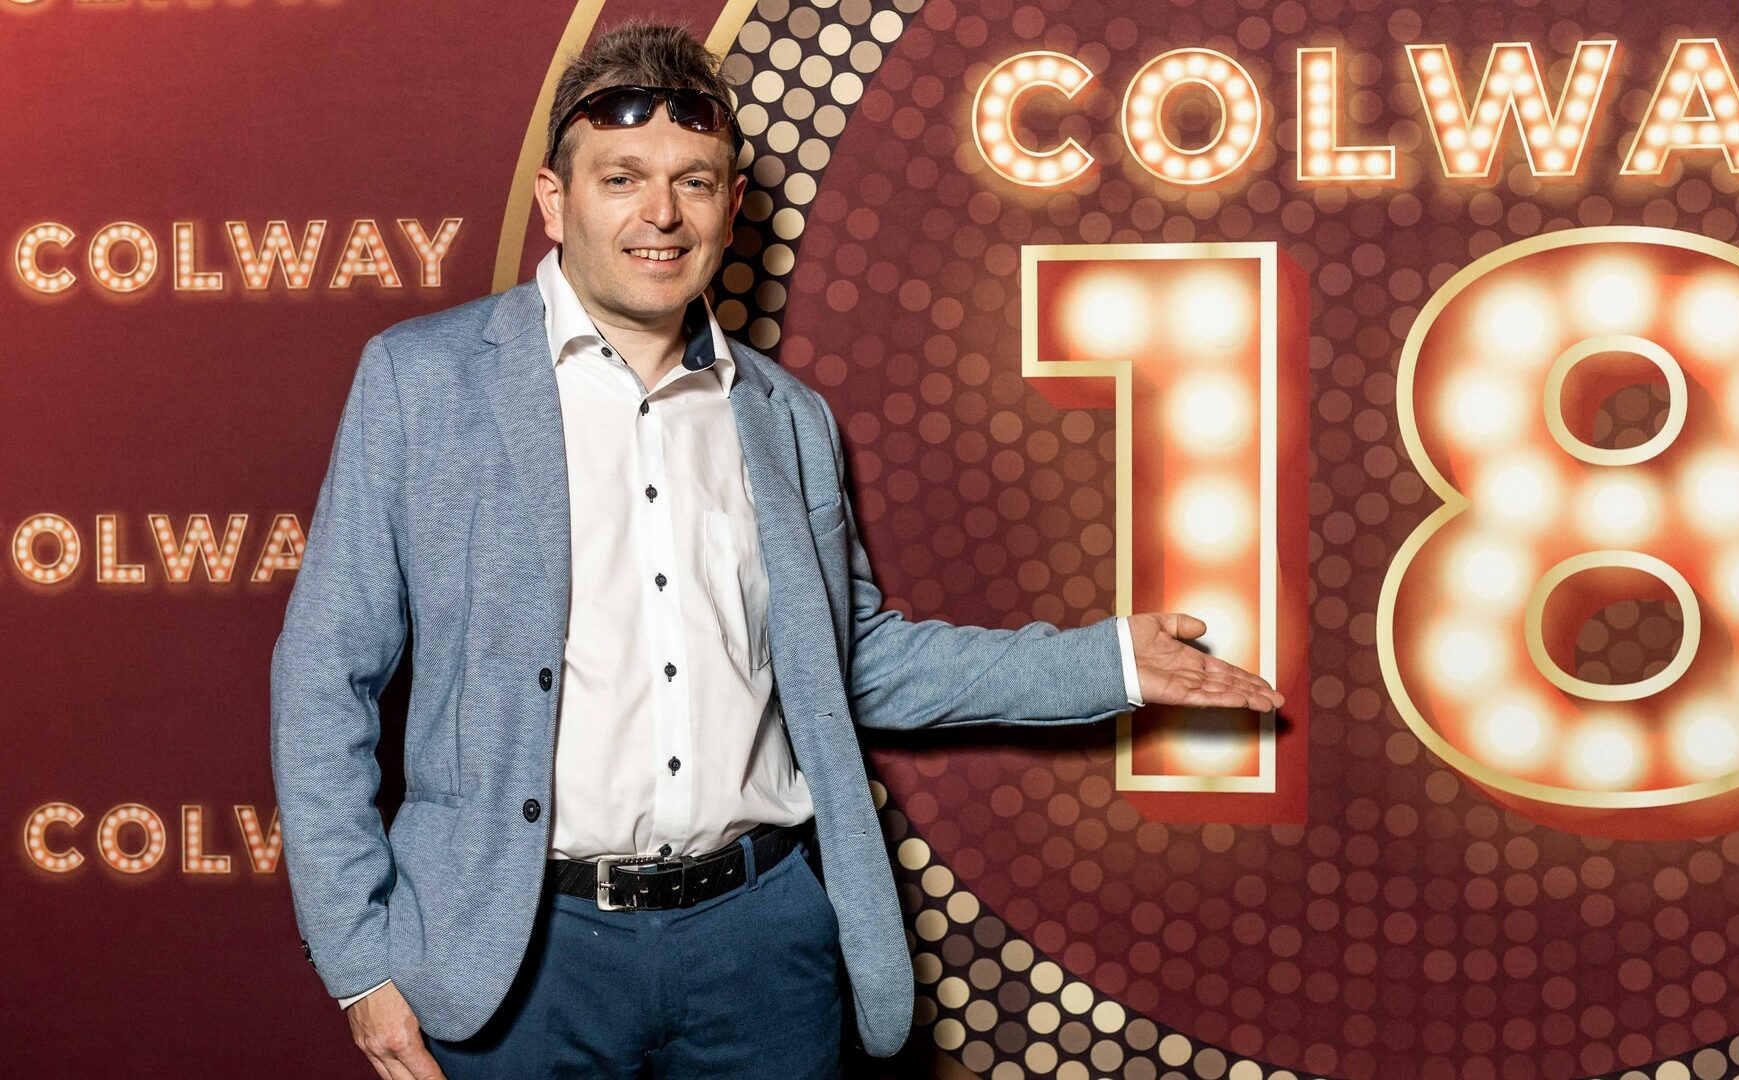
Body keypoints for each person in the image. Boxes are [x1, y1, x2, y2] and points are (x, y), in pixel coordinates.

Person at [269, 20, 1284, 1080]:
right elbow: (323, 679)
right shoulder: (424, 382)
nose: (661, 214)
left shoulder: (786, 418)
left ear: (731, 206)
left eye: (693, 182)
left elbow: (853, 659)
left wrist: (1106, 661)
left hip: (758, 951)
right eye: (622, 178)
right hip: (520, 956)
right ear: (556, 203)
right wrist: (359, 960)